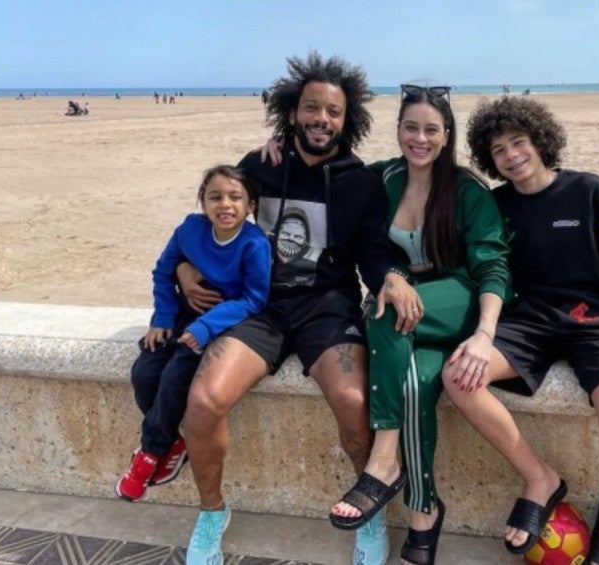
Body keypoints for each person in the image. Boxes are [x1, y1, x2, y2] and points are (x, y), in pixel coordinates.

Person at [174, 51, 418, 565]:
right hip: (256, 305)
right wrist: (183, 269)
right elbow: (217, 225)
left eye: (333, 112)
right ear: (291, 112)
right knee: (203, 402)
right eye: (312, 108)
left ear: (347, 121)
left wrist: (391, 278)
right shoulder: (257, 166)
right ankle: (212, 512)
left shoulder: (362, 183)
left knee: (355, 404)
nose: (321, 120)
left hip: (326, 306)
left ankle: (367, 513)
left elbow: (373, 253)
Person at [265, 84, 510, 565]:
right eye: (410, 127)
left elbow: (493, 267)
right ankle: (423, 510)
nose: (420, 138)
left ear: (446, 135)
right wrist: (277, 147)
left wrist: (485, 334)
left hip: (456, 297)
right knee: (417, 384)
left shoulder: (467, 191)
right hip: (407, 307)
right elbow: (325, 170)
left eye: (431, 130)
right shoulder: (382, 176)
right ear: (398, 131)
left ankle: (383, 460)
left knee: (384, 307)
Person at [453, 96, 599, 565]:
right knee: (458, 378)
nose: (512, 156)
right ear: (488, 160)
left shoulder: (592, 192)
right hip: (527, 323)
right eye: (498, 151)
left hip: (595, 325)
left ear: (540, 141)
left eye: (519, 142)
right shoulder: (495, 206)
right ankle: (541, 478)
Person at [115, 165, 271, 504]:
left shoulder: (254, 244)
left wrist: (204, 328)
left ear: (251, 206)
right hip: (181, 314)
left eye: (235, 197)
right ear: (202, 202)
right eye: (215, 197)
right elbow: (162, 270)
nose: (225, 205)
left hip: (220, 322)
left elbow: (254, 299)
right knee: (144, 373)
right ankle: (172, 442)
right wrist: (163, 317)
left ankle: (149, 453)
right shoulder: (190, 230)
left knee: (175, 376)